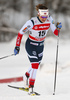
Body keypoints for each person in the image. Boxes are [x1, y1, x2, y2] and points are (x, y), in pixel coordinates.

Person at [14, 4, 62, 95]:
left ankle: (26, 76)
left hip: (40, 46)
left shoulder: (49, 20)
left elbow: (56, 32)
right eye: (43, 16)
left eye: (46, 16)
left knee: (35, 65)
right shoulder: (32, 22)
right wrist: (17, 46)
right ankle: (31, 88)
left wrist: (58, 28)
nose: (44, 18)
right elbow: (20, 33)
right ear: (38, 14)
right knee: (35, 65)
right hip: (31, 45)